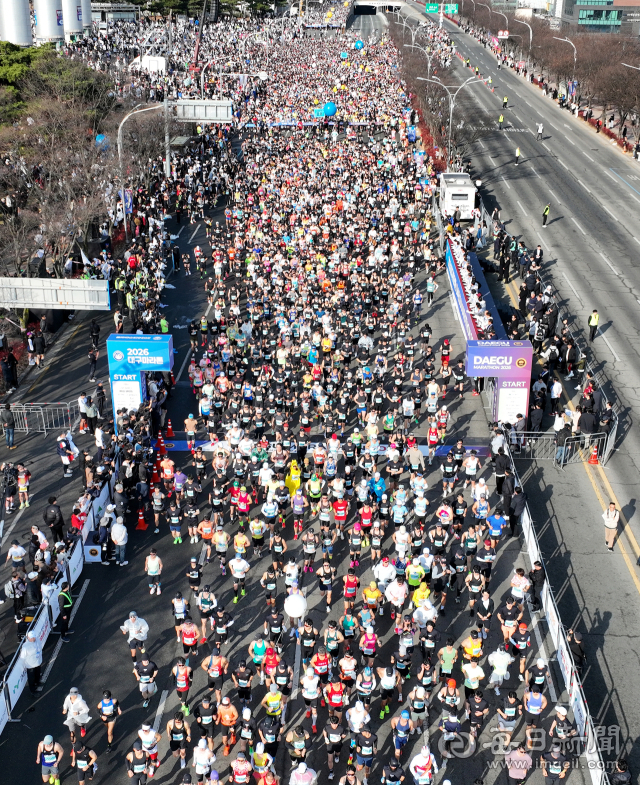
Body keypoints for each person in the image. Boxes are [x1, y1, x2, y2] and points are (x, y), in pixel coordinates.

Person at [20, 629, 42, 695]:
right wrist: (24, 665)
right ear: (28, 638)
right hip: (30, 665)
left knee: (38, 674)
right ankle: (33, 691)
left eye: (34, 637)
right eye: (31, 637)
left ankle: (37, 682)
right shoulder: (25, 646)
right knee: (31, 678)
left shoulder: (37, 640)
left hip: (38, 662)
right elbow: (22, 657)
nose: (33, 639)